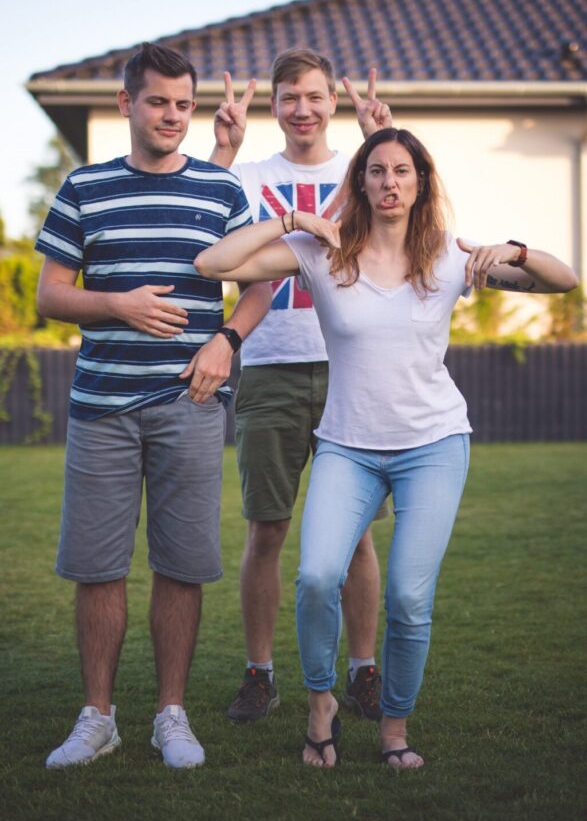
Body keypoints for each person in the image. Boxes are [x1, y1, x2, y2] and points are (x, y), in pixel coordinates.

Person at [195, 126, 578, 768]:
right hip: (347, 445)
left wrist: (514, 249)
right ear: (362, 183)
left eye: (402, 171)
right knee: (317, 576)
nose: (390, 182)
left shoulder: (451, 256)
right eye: (377, 171)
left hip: (433, 444)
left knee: (409, 597)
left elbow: (562, 281)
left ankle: (395, 728)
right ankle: (321, 703)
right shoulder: (324, 252)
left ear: (420, 183)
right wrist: (292, 220)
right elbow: (213, 264)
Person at [36, 42, 271, 769]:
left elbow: (260, 284)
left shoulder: (221, 189)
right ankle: (98, 718)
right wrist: (117, 304)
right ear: (126, 104)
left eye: (183, 104)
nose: (172, 115)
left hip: (190, 405)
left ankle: (171, 714)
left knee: (181, 565)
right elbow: (51, 295)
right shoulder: (85, 186)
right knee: (97, 568)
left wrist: (226, 340)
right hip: (101, 407)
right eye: (158, 102)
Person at [209, 48, 393, 722]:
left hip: (351, 370)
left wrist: (381, 138)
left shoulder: (362, 170)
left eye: (315, 96)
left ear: (331, 102)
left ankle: (363, 670)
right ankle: (260, 673)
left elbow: (409, 213)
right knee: (267, 529)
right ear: (275, 105)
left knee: (358, 535)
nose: (302, 109)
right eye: (289, 97)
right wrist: (223, 147)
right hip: (268, 368)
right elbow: (200, 227)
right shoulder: (250, 177)